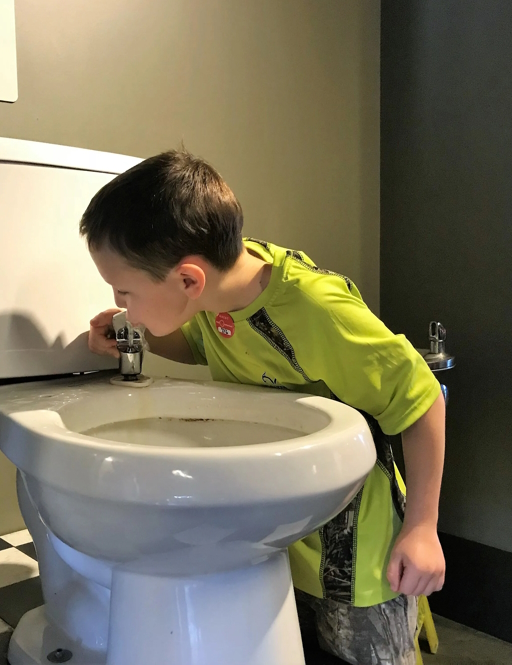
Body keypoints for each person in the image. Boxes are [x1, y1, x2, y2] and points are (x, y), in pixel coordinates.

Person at [80, 149, 446, 665]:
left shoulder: (317, 310)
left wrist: (423, 528)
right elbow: (205, 346)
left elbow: (421, 397)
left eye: (126, 292)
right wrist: (132, 339)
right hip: (282, 524)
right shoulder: (219, 290)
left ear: (188, 280)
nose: (124, 305)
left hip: (356, 544)